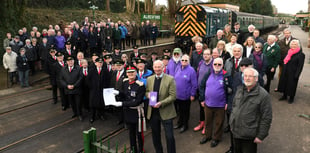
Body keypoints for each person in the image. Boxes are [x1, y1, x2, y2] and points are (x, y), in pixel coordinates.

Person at [230, 67, 272, 153]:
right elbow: (234, 106)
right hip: (235, 132)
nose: (247, 78)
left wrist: (260, 136)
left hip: (249, 135)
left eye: (250, 76)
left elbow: (266, 117)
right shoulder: (239, 89)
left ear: (256, 79)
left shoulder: (263, 95)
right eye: (245, 76)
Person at [199, 58, 231, 148]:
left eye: (219, 64)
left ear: (222, 65)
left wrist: (228, 102)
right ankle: (207, 136)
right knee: (208, 121)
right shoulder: (208, 73)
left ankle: (216, 138)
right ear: (212, 65)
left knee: (219, 122)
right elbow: (202, 86)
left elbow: (230, 90)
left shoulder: (226, 76)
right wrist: (202, 99)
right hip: (208, 104)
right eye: (215, 64)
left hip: (220, 105)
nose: (217, 66)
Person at [146, 60, 177, 153]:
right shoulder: (149, 79)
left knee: (170, 137)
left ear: (163, 68)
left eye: (159, 67)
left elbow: (173, 96)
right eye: (155, 67)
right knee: (155, 136)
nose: (157, 69)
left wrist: (161, 103)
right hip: (153, 112)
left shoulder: (170, 79)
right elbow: (147, 91)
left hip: (166, 111)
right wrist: (148, 95)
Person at [117, 64, 146, 153]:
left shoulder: (140, 85)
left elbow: (137, 101)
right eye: (129, 73)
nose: (130, 74)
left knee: (139, 133)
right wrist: (117, 94)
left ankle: (141, 150)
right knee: (131, 132)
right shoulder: (125, 82)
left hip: (137, 112)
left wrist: (122, 103)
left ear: (136, 73)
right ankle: (133, 149)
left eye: (132, 72)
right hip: (128, 111)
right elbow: (125, 94)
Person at [173, 54, 197, 133]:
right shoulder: (178, 68)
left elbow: (194, 84)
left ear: (188, 61)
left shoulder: (191, 70)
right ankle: (179, 123)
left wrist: (193, 94)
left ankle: (185, 125)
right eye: (182, 60)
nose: (183, 62)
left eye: (186, 60)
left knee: (185, 111)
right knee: (179, 110)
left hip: (186, 96)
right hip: (177, 95)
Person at [277, 39, 305, 103]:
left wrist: (297, 75)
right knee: (284, 83)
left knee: (292, 86)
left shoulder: (301, 55)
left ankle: (291, 98)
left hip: (293, 73)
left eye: (295, 44)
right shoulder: (289, 52)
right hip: (285, 71)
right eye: (292, 44)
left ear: (298, 45)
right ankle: (284, 96)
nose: (293, 45)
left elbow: (300, 66)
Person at [194, 49, 213, 134]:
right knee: (201, 108)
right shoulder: (201, 63)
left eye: (207, 54)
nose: (205, 56)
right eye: (204, 54)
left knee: (207, 109)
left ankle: (207, 126)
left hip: (208, 90)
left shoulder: (213, 65)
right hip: (200, 89)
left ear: (211, 55)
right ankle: (202, 123)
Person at [59, 56, 83, 121]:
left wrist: (74, 85)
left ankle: (80, 114)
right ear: (66, 62)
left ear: (74, 61)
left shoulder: (78, 68)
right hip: (68, 90)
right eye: (69, 61)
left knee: (78, 103)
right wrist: (67, 86)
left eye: (71, 61)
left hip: (77, 89)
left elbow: (80, 78)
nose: (70, 62)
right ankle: (75, 113)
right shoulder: (63, 69)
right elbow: (61, 79)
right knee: (72, 103)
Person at [87, 57, 110, 123]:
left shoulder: (105, 70)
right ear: (95, 63)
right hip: (94, 90)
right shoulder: (92, 70)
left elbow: (108, 80)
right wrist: (91, 87)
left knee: (101, 103)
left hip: (102, 90)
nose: (100, 64)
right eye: (98, 63)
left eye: (101, 63)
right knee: (93, 104)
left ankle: (101, 114)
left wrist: (105, 88)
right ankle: (92, 116)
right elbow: (88, 80)